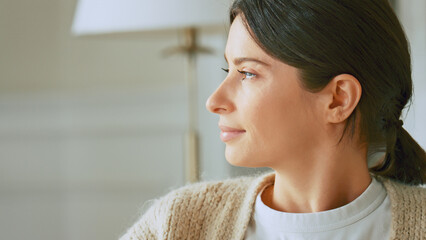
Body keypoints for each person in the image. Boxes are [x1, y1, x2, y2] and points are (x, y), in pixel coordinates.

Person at [120, 0, 426, 239]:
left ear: (338, 99)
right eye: (229, 70)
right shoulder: (180, 224)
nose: (214, 102)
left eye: (248, 73)